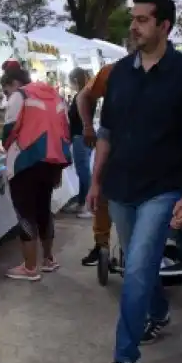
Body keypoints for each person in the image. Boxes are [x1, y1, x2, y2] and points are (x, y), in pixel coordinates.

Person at [86, 0, 182, 363]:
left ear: (164, 26)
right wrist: (95, 181)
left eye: (142, 20)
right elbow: (106, 133)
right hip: (121, 187)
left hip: (163, 189)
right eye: (133, 19)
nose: (134, 27)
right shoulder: (119, 72)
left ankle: (124, 358)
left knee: (138, 268)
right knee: (140, 269)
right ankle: (158, 311)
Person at [0, 61, 71, 280]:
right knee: (44, 210)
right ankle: (49, 259)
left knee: (25, 213)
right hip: (52, 160)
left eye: (6, 90)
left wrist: (5, 146)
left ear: (13, 82)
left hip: (25, 161)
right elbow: (66, 128)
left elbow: (9, 130)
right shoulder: (53, 95)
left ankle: (30, 267)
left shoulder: (20, 96)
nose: (6, 96)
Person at [76, 63, 114, 265]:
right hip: (113, 144)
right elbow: (83, 96)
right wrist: (88, 125)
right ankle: (101, 244)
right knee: (101, 195)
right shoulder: (113, 70)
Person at [62, 67, 93, 217]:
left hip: (81, 137)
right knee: (83, 171)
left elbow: (76, 118)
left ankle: (87, 205)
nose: (69, 85)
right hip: (82, 137)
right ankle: (82, 202)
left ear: (75, 80)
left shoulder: (82, 96)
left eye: (70, 82)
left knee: (84, 171)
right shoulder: (87, 94)